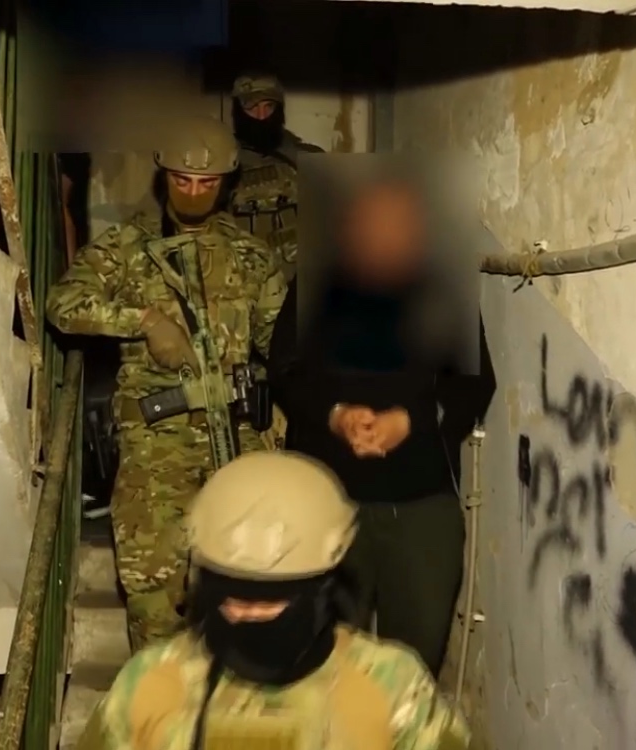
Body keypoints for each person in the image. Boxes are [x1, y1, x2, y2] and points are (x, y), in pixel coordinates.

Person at [46, 115, 287, 653]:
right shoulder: (127, 246)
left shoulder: (251, 256)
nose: (194, 192)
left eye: (207, 183)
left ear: (225, 182)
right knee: (154, 594)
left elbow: (281, 344)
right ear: (164, 176)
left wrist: (282, 408)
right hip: (157, 448)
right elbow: (63, 304)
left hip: (239, 438)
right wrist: (144, 320)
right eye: (183, 180)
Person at [74, 451, 473, 750]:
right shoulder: (150, 685)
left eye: (272, 602)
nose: (248, 614)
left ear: (323, 588)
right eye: (233, 599)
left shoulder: (391, 687)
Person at [267, 173, 496, 677]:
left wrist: (410, 421)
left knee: (411, 666)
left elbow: (475, 383)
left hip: (419, 508)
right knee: (322, 663)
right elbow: (284, 371)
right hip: (326, 503)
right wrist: (336, 415)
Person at [228, 73, 324, 281]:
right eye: (252, 107)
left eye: (269, 106)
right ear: (238, 111)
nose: (262, 116)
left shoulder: (306, 158)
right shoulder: (221, 161)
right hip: (241, 283)